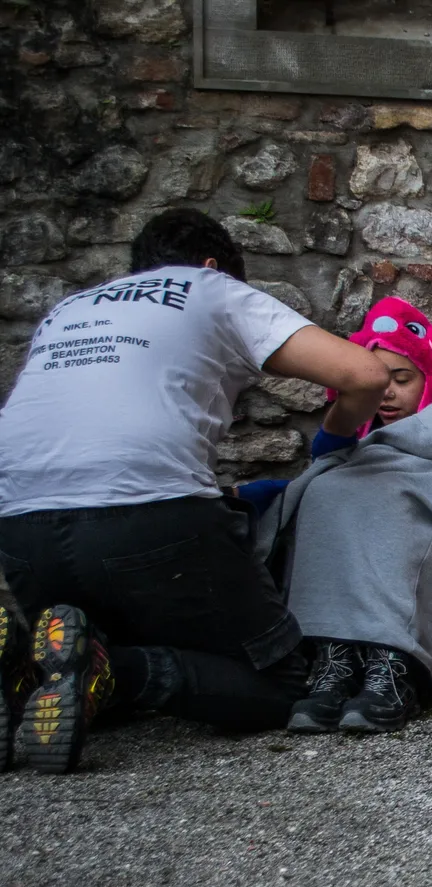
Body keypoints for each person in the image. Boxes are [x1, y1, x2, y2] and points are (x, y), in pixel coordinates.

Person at [0, 209, 390, 774]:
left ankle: (23, 673)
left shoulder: (70, 309)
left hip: (18, 525)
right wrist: (333, 439)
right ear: (213, 265)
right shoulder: (209, 287)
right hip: (147, 509)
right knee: (278, 683)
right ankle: (114, 670)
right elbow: (365, 374)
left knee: (79, 677)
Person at [256, 298, 432, 734]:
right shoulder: (357, 450)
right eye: (377, 380)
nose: (386, 392)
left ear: (431, 378)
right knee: (323, 494)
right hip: (366, 547)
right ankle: (337, 661)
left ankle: (391, 665)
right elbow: (314, 475)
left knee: (399, 508)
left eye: (402, 379)